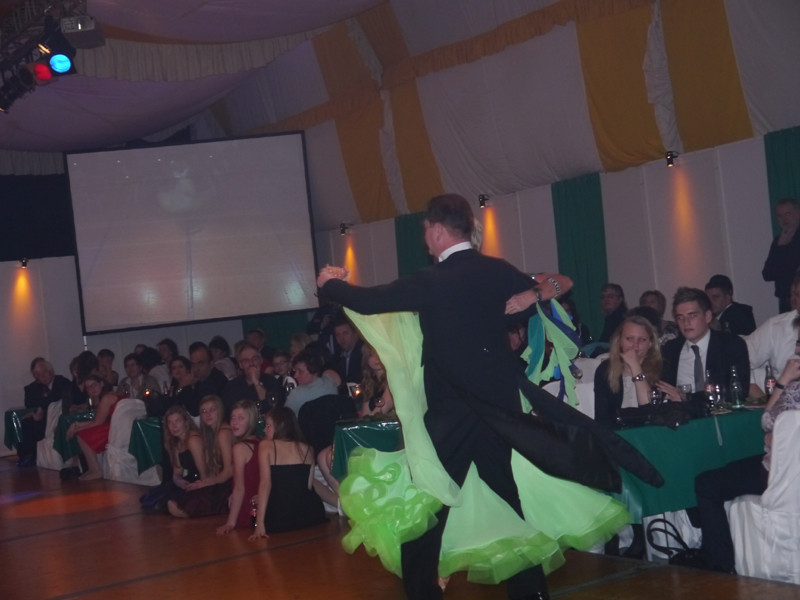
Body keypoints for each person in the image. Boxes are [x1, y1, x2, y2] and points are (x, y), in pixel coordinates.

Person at [316, 193, 634, 600]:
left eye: (425, 232)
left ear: (436, 230)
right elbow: (562, 282)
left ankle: (423, 592)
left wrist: (330, 284)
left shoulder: (433, 280)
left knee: (427, 497)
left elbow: (371, 300)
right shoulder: (497, 271)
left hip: (453, 410)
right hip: (499, 409)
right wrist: (533, 295)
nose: (425, 240)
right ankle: (530, 591)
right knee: (505, 495)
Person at [693, 355, 800, 573]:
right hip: (787, 468)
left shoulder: (794, 389)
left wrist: (783, 380)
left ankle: (721, 565)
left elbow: (766, 420)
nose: (796, 350)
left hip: (782, 473)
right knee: (730, 468)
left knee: (706, 484)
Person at [657, 287, 750, 406]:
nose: (686, 323)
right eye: (680, 317)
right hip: (680, 414)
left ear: (707, 316)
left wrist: (687, 398)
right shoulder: (670, 350)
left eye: (692, 316)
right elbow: (662, 390)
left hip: (722, 412)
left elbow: (739, 390)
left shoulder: (730, 345)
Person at [249, 407, 326, 539]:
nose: (264, 430)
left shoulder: (266, 445)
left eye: (268, 426)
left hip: (279, 517)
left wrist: (259, 523)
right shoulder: (308, 449)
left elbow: (265, 484)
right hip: (310, 514)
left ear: (282, 425)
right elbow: (308, 486)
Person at [168, 395, 234, 519]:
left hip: (229, 483)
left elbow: (230, 470)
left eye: (212, 410)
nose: (208, 414)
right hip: (219, 480)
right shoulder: (210, 433)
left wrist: (206, 483)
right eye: (204, 411)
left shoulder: (223, 432)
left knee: (179, 505)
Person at [593, 315, 663, 428]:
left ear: (650, 343)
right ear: (620, 341)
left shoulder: (661, 369)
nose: (635, 345)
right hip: (616, 432)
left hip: (650, 431)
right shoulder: (605, 369)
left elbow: (650, 411)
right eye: (629, 339)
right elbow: (602, 418)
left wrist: (635, 367)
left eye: (642, 340)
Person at [745, 272, 800, 396]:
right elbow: (739, 359)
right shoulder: (776, 326)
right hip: (782, 399)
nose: (795, 299)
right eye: (797, 294)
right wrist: (757, 394)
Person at [216, 400, 262, 535]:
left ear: (251, 421)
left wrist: (230, 523)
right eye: (233, 418)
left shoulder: (240, 448)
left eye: (241, 418)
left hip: (250, 509)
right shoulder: (262, 442)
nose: (235, 422)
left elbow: (239, 488)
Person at [17, 357, 72, 467]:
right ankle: (28, 456)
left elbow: (61, 398)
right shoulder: (32, 388)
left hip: (58, 418)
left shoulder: (61, 382)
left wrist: (42, 407)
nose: (43, 377)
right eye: (38, 375)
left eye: (44, 373)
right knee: (26, 423)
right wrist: (36, 412)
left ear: (51, 371)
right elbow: (30, 404)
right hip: (41, 420)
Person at [66, 375, 122, 481]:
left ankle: (95, 470)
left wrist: (77, 429)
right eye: (88, 387)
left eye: (94, 385)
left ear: (101, 384)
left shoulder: (106, 398)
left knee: (82, 435)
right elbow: (100, 420)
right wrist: (77, 425)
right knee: (83, 432)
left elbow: (98, 422)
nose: (92, 389)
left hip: (117, 428)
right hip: (114, 425)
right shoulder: (102, 398)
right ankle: (91, 469)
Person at [222, 343, 284, 417]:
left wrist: (256, 383)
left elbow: (273, 411)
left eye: (254, 359)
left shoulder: (272, 382)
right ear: (240, 365)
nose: (251, 363)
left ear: (261, 360)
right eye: (246, 360)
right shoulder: (231, 387)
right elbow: (229, 414)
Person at [762, 198, 800, 313]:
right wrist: (781, 245)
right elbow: (767, 274)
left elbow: (792, 268)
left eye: (787, 214)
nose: (784, 219)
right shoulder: (779, 241)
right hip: (785, 299)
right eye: (780, 216)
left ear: (798, 213)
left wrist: (782, 248)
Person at [284, 349, 338, 415]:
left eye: (300, 371)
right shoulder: (330, 383)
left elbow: (284, 418)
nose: (295, 375)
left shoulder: (296, 394)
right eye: (295, 371)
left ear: (313, 370)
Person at [332, 317, 364, 393]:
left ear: (355, 334)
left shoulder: (364, 355)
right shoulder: (338, 357)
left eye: (345, 333)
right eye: (338, 335)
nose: (341, 338)